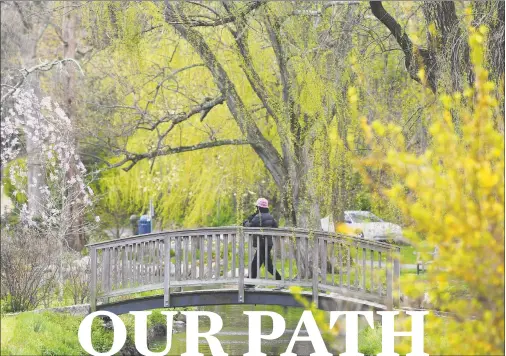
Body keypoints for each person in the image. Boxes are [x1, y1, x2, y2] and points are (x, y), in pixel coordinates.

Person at [243, 198, 282, 288]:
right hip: (268, 244)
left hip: (261, 244)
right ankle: (250, 282)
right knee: (256, 263)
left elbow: (249, 226)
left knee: (266, 265)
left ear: (258, 207)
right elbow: (275, 227)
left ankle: (280, 280)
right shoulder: (270, 217)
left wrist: (245, 222)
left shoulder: (257, 217)